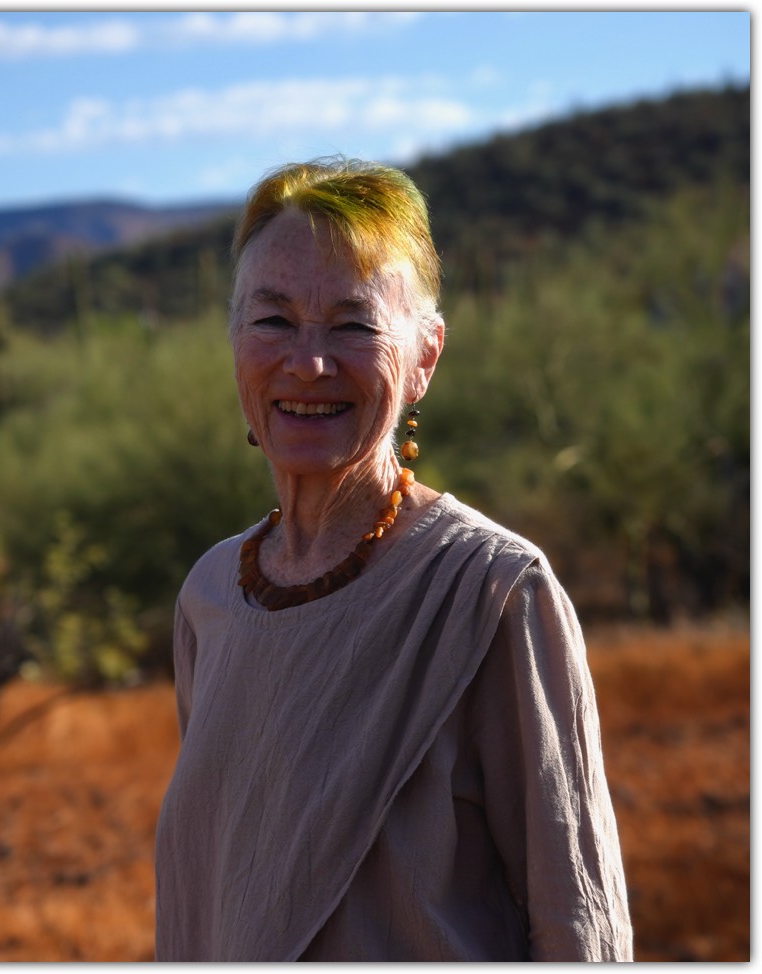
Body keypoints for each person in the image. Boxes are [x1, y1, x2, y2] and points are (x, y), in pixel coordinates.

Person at [153, 157, 633, 961]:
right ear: (234, 341)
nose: (308, 363)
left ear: (424, 358)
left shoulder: (493, 593)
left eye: (353, 325)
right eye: (272, 321)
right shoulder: (210, 596)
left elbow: (578, 919)